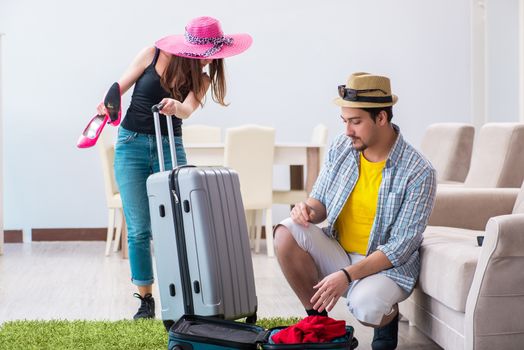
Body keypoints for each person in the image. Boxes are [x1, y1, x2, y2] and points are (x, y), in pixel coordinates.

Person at [96, 16, 252, 320]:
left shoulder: (202, 78)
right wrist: (107, 104)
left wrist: (174, 107)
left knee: (178, 224)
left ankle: (182, 294)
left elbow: (187, 109)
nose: (207, 59)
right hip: (131, 144)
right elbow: (120, 85)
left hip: (170, 146)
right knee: (140, 228)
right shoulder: (153, 54)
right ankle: (145, 300)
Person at [273, 72, 437, 350]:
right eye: (345, 121)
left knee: (367, 306)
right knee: (286, 231)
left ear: (381, 118)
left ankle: (388, 318)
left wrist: (347, 275)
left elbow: (399, 248)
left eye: (356, 122)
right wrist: (307, 210)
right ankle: (319, 324)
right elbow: (320, 200)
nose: (348, 130)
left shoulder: (419, 171)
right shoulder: (342, 146)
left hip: (384, 266)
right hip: (339, 250)